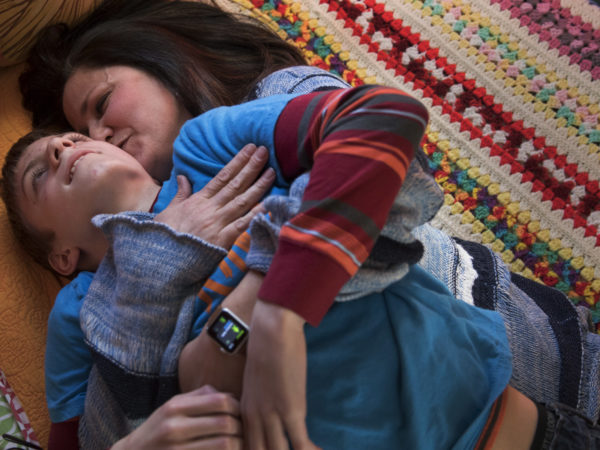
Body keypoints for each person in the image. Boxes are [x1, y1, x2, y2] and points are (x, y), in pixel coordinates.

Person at [17, 0, 600, 445]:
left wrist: (252, 312)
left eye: (100, 106)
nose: (92, 137)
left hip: (529, 363)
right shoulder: (92, 302)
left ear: (161, 63)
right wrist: (155, 272)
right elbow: (133, 424)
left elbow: (386, 161)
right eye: (78, 132)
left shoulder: (261, 107)